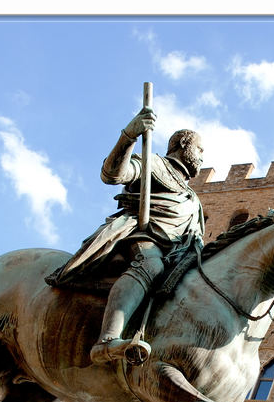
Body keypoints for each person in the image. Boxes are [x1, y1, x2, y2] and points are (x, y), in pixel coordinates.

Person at [44, 106, 205, 364]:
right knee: (150, 264)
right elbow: (113, 174)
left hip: (176, 254)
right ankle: (107, 340)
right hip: (141, 238)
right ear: (183, 145)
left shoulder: (193, 199)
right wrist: (128, 137)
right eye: (199, 149)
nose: (202, 156)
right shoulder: (155, 163)